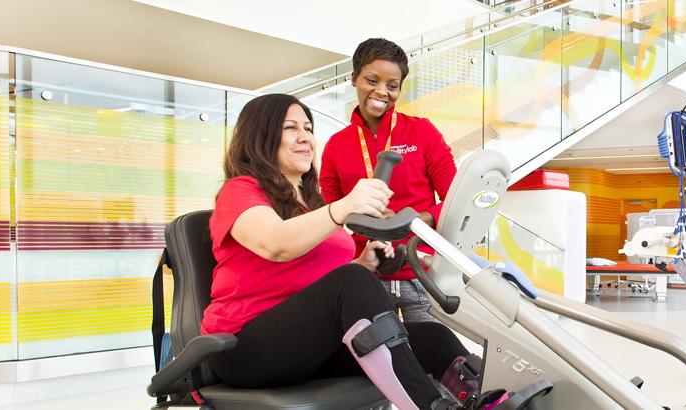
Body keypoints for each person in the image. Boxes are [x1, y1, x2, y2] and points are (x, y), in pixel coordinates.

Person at [202, 93, 485, 409]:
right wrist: (343, 208)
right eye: (290, 128)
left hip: (309, 345)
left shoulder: (310, 204)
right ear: (260, 136)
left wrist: (366, 262)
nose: (305, 138)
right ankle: (430, 405)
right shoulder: (239, 191)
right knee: (350, 280)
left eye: (309, 128)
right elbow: (276, 244)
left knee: (432, 337)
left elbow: (319, 280)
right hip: (245, 348)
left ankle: (485, 399)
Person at [320, 38, 456, 323]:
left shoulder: (423, 132)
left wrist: (415, 220)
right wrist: (359, 217)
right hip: (365, 275)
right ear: (354, 78)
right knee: (377, 363)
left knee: (431, 355)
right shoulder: (336, 146)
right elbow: (326, 218)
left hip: (421, 273)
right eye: (372, 80)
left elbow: (456, 200)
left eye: (392, 86)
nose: (381, 91)